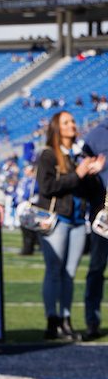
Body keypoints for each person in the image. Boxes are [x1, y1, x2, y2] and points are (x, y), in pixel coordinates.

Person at [35, 111, 104, 341]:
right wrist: (79, 173)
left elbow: (84, 189)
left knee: (69, 274)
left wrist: (91, 174)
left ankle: (65, 320)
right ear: (57, 128)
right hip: (56, 220)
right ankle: (51, 321)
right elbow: (47, 187)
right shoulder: (48, 155)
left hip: (76, 221)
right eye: (67, 122)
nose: (73, 125)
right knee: (54, 271)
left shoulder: (78, 154)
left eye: (73, 121)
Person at [81, 118, 108, 340]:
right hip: (104, 215)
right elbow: (84, 174)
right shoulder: (96, 135)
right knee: (97, 269)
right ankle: (92, 320)